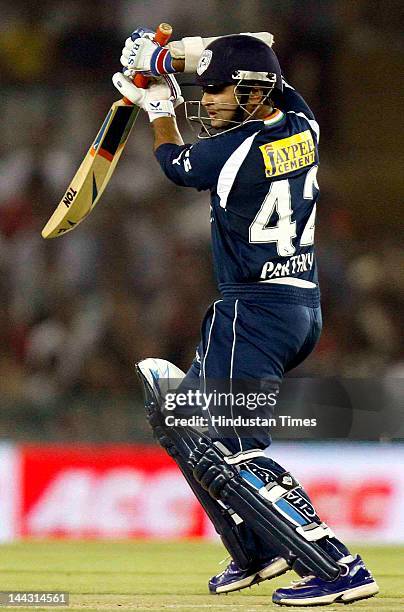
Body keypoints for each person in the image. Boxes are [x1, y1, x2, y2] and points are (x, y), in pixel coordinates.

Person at [112, 30, 379, 606]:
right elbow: (258, 50)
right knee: (178, 416)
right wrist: (165, 60)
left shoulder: (231, 150)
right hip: (298, 308)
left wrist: (158, 102)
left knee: (231, 447)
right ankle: (257, 547)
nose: (205, 101)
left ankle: (338, 567)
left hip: (252, 310)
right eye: (201, 90)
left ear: (255, 91)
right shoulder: (303, 123)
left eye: (218, 91)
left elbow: (176, 165)